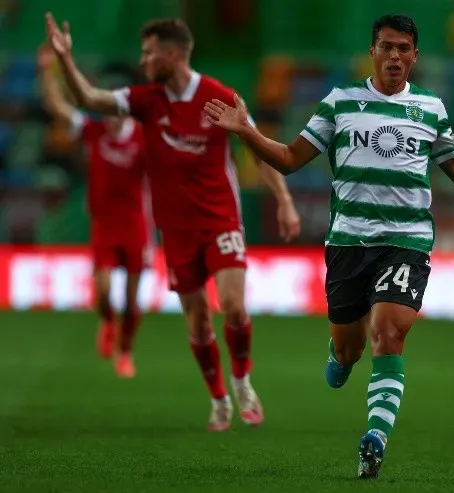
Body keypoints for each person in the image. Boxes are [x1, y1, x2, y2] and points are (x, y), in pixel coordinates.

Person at [204, 14, 454, 477]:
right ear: (373, 52)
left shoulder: (431, 109)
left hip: (406, 241)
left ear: (415, 56)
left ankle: (375, 439)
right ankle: (340, 353)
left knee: (389, 333)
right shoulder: (340, 102)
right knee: (349, 350)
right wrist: (245, 130)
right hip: (348, 241)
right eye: (386, 47)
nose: (394, 56)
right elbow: (288, 159)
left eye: (403, 48)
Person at [45, 13, 301, 431]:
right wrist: (66, 60)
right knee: (198, 321)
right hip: (176, 231)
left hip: (221, 220)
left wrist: (285, 199)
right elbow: (91, 99)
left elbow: (259, 149)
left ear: (173, 53)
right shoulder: (146, 100)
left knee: (234, 307)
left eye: (149, 53)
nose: (143, 61)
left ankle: (242, 382)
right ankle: (218, 399)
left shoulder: (220, 97)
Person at [38, 43, 151, 379]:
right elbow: (57, 107)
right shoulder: (93, 131)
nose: (110, 117)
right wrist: (47, 69)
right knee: (102, 292)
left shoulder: (144, 139)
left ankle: (126, 350)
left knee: (132, 299)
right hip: (104, 223)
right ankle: (106, 321)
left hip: (135, 224)